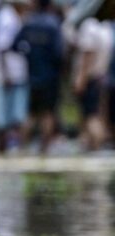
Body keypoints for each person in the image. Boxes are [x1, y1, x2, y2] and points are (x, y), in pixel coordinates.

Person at [13, 0, 64, 154]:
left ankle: (22, 147)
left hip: (32, 75)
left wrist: (29, 55)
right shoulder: (53, 24)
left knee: (31, 113)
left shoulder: (28, 23)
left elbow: (15, 45)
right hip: (50, 77)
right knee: (48, 112)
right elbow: (59, 53)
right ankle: (44, 148)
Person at [0, 0, 31, 154]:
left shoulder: (17, 17)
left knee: (17, 115)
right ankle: (2, 148)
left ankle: (17, 148)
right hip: (8, 75)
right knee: (4, 116)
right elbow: (1, 49)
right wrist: (5, 74)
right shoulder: (6, 19)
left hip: (18, 73)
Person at [71, 17, 113, 151]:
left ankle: (97, 147)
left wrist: (80, 79)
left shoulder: (90, 26)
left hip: (90, 78)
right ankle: (92, 146)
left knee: (91, 116)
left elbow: (88, 54)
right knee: (95, 115)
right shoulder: (106, 28)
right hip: (100, 77)